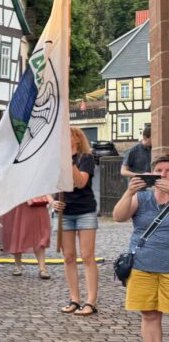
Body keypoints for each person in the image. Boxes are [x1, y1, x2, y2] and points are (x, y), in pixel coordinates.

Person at [113, 154, 169, 342]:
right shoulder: (143, 199)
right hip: (143, 266)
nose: (163, 176)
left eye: (168, 172)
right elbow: (118, 216)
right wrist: (129, 192)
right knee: (149, 315)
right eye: (159, 172)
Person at [52, 127, 100, 316]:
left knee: (87, 256)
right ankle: (74, 298)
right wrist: (52, 202)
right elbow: (48, 186)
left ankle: (91, 301)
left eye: (68, 135)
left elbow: (80, 182)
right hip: (64, 213)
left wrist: (68, 161)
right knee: (68, 257)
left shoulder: (85, 158)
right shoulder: (55, 160)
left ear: (77, 139)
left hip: (84, 211)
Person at [1, 197, 51, 279]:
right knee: (17, 233)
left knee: (39, 234)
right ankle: (18, 266)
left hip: (34, 200)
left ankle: (42, 269)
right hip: (18, 201)